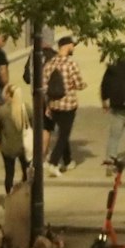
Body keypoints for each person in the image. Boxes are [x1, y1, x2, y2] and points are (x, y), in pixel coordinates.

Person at [39, 35, 85, 176]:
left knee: (62, 132)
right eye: (72, 45)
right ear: (67, 46)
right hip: (68, 104)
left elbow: (44, 86)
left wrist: (48, 104)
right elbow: (78, 83)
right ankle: (53, 162)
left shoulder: (49, 64)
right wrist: (82, 85)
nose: (73, 48)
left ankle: (68, 160)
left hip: (54, 104)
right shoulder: (71, 64)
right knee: (64, 134)